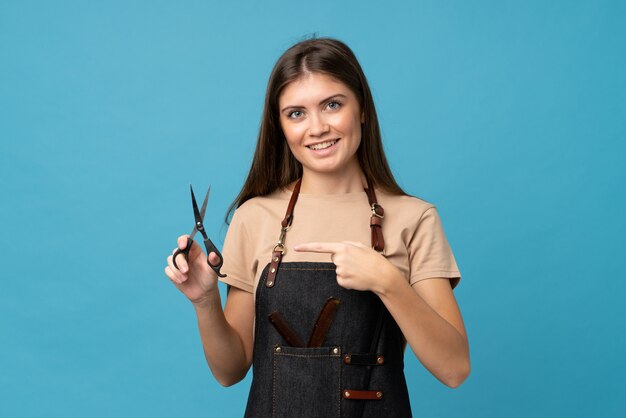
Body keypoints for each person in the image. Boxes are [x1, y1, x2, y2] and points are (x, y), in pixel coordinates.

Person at [165, 37, 470, 417]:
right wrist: (204, 301)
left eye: (332, 105)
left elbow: (455, 369)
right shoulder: (253, 217)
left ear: (361, 109)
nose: (317, 127)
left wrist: (388, 282)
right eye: (296, 113)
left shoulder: (414, 218)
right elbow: (230, 371)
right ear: (280, 126)